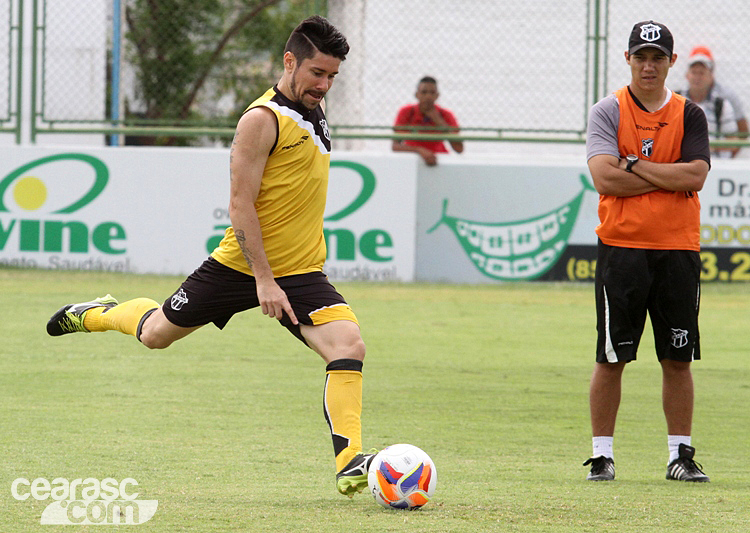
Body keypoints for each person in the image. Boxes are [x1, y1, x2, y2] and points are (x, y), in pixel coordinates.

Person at [46, 16, 375, 499]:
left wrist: (283, 276)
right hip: (241, 267)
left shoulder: (316, 111)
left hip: (302, 271)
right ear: (290, 62)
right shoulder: (261, 121)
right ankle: (95, 313)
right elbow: (241, 205)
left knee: (348, 344)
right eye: (317, 73)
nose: (324, 85)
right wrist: (264, 280)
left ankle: (351, 463)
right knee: (156, 334)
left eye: (332, 77)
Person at [583, 20, 711, 483]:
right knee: (612, 356)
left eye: (659, 57)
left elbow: (695, 176)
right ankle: (602, 456)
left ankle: (681, 455)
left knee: (678, 356)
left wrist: (634, 162)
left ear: (672, 62)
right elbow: (604, 178)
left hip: (677, 248)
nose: (650, 65)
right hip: (622, 248)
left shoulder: (689, 114)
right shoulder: (608, 110)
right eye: (642, 56)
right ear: (628, 60)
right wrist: (665, 173)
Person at [678, 46, 749, 158]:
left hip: (713, 162)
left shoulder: (722, 102)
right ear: (687, 75)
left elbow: (738, 135)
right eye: (694, 72)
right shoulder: (676, 100)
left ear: (711, 75)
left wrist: (713, 150)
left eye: (702, 73)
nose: (697, 77)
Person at [392, 76, 463, 166]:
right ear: (417, 95)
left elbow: (459, 149)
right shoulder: (407, 112)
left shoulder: (445, 114)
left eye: (432, 93)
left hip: (439, 160)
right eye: (424, 92)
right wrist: (419, 150)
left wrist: (440, 123)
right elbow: (395, 146)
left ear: (437, 96)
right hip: (412, 161)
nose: (428, 96)